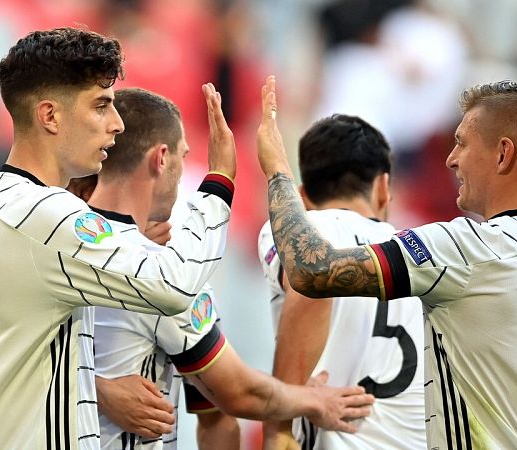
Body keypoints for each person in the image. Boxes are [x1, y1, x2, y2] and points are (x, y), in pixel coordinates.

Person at [255, 77, 517, 449]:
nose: (450, 159)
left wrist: (276, 169)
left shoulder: (461, 248)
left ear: (502, 153)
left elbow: (312, 269)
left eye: (461, 142)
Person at [0, 27, 238, 450]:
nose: (117, 124)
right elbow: (173, 283)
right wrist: (218, 183)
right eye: (100, 105)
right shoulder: (47, 214)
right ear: (50, 116)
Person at [68, 88, 376, 450]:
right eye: (184, 157)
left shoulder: (45, 241)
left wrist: (88, 385)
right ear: (161, 159)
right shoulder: (166, 274)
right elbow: (233, 395)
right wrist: (313, 400)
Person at [257, 114, 426, 450]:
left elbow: (312, 287)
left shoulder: (302, 229)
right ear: (383, 187)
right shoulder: (421, 250)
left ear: (301, 198)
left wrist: (279, 427)